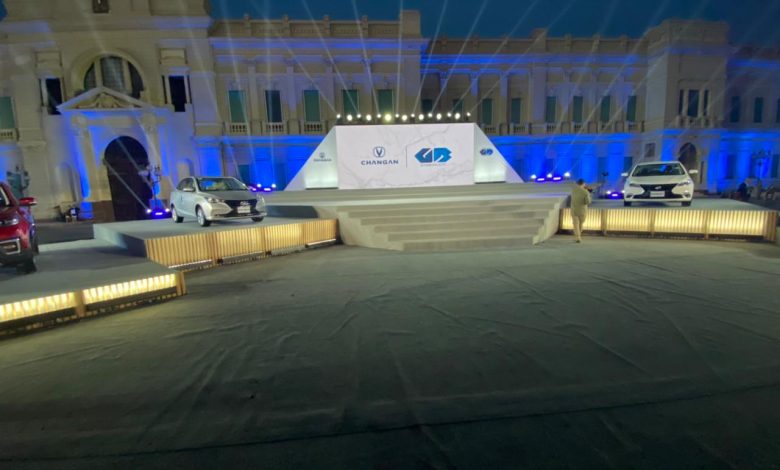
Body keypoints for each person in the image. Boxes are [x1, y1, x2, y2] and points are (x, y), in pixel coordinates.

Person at [570, 179, 592, 243]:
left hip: (574, 210)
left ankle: (578, 237)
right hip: (582, 210)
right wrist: (588, 193)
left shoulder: (573, 190)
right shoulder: (585, 192)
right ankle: (579, 236)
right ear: (583, 183)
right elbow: (588, 202)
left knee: (575, 224)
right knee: (580, 223)